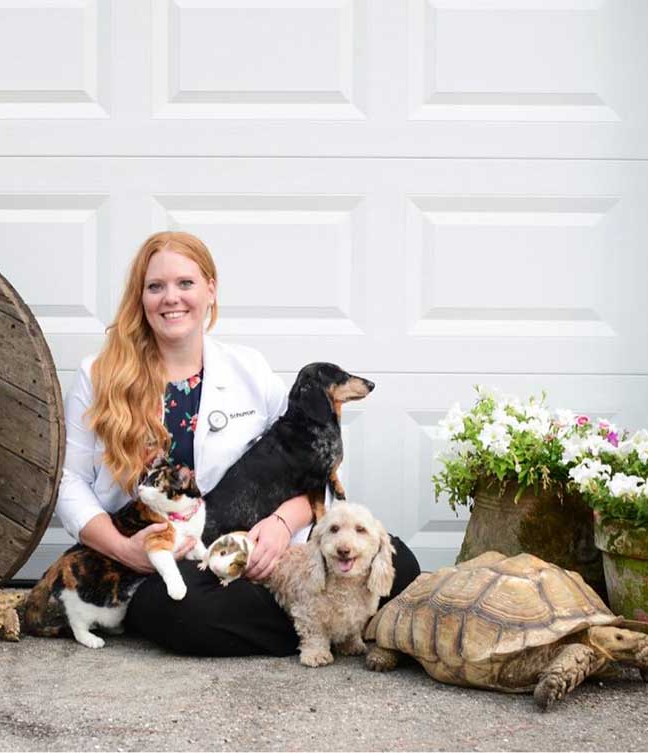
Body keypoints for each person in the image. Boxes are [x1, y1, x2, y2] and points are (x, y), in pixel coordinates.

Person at [54, 231, 420, 656]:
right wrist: (124, 548)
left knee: (401, 562)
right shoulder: (98, 375)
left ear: (210, 289)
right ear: (141, 297)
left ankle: (315, 618)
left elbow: (313, 462)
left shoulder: (248, 368)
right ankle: (331, 621)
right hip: (171, 558)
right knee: (184, 611)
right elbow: (69, 482)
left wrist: (282, 526)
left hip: (264, 547)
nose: (171, 297)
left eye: (185, 284)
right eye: (155, 287)